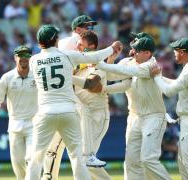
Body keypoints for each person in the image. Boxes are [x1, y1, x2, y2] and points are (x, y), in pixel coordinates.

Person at [25, 24, 122, 180]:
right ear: (55, 40)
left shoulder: (34, 60)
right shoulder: (68, 55)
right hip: (69, 112)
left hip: (45, 112)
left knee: (36, 158)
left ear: (39, 43)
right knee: (78, 158)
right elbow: (95, 57)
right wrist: (112, 47)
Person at [96, 33, 171, 180]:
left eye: (137, 50)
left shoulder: (151, 66)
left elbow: (127, 72)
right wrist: (111, 59)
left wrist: (98, 62)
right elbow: (111, 76)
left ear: (147, 53)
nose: (133, 52)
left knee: (148, 159)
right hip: (134, 117)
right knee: (131, 162)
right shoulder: (128, 61)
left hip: (154, 116)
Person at [42, 15, 102, 180]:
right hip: (66, 99)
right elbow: (67, 69)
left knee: (63, 145)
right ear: (77, 29)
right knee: (61, 144)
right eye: (87, 27)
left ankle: (48, 176)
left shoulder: (79, 46)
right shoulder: (71, 42)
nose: (91, 30)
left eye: (92, 27)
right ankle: (48, 176)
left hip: (67, 98)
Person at [149, 38, 188, 180]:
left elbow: (169, 92)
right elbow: (177, 84)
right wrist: (160, 77)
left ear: (182, 52)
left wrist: (156, 78)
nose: (174, 53)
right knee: (184, 163)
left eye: (175, 50)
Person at [0, 45, 37, 180]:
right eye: (20, 56)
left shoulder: (37, 75)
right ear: (15, 58)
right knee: (17, 163)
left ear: (30, 58)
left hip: (34, 123)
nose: (24, 58)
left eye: (27, 56)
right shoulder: (7, 77)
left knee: (32, 158)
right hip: (15, 124)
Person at [72, 30, 112, 180]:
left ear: (92, 46)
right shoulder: (80, 65)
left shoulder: (99, 64)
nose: (77, 46)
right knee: (82, 160)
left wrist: (69, 77)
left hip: (97, 116)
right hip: (83, 115)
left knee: (85, 160)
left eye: (81, 44)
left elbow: (91, 85)